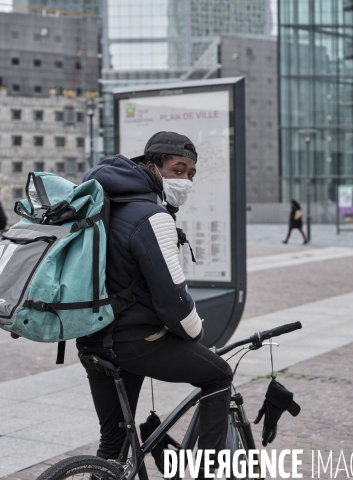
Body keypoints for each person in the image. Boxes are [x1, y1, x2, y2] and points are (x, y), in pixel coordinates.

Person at [77, 131, 233, 474]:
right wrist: (196, 337)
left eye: (191, 173)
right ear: (152, 167)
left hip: (92, 338)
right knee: (219, 375)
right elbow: (173, 301)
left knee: (114, 444)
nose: (186, 180)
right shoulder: (152, 217)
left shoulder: (109, 205)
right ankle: (209, 471)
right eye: (178, 170)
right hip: (134, 342)